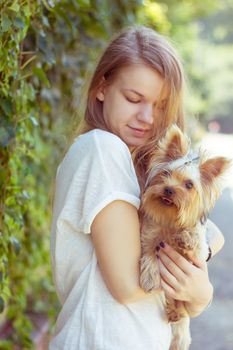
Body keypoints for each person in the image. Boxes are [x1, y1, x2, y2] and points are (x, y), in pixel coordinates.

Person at [49, 25, 224, 350]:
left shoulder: (139, 170)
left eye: (160, 105)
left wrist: (199, 296)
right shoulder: (102, 148)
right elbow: (130, 286)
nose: (147, 116)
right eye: (134, 98)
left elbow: (208, 237)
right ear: (101, 87)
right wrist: (201, 286)